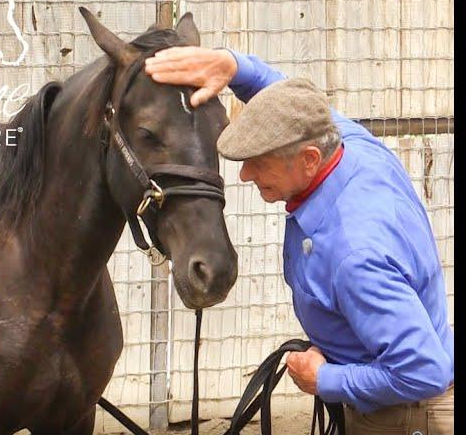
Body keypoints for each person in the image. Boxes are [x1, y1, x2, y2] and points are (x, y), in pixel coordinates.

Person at [144, 47, 454, 434]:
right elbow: (294, 106)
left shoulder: (354, 255)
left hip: (404, 417)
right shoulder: (351, 145)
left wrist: (324, 380)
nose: (245, 175)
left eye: (259, 160)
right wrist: (236, 68)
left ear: (309, 159)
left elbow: (425, 372)